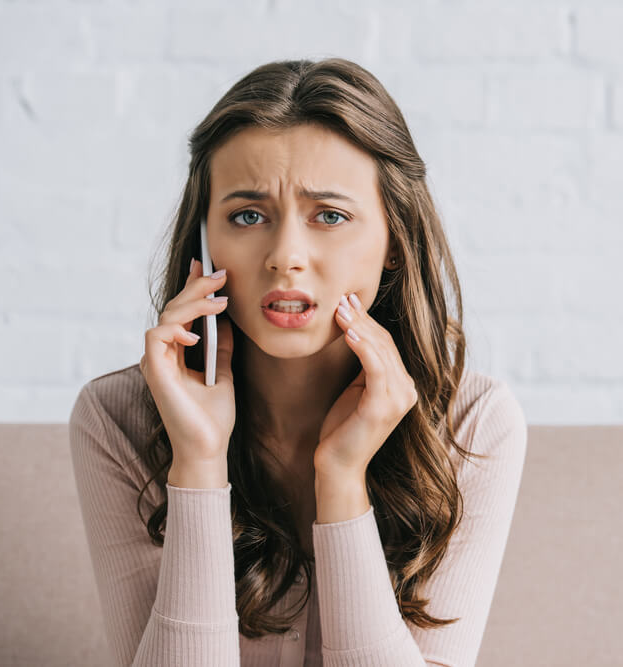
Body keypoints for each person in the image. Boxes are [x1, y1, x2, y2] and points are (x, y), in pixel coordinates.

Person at [67, 57, 527, 667]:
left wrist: (341, 480)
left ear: (394, 240)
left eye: (330, 216)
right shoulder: (116, 417)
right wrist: (199, 463)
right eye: (247, 215)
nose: (286, 256)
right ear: (204, 238)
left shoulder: (473, 421)